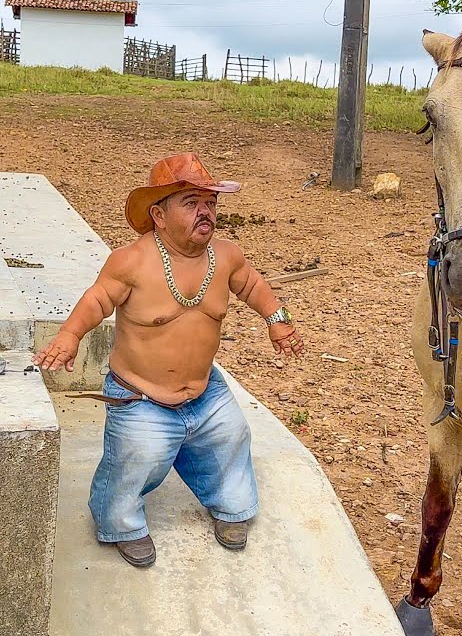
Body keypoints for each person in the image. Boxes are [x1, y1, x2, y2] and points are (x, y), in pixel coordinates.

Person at [32, 153, 305, 567]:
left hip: (204, 391)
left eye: (211, 204)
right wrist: (70, 335)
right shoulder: (133, 261)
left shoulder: (226, 256)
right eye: (192, 202)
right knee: (137, 456)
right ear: (158, 215)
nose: (206, 212)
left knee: (230, 437)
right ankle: (120, 522)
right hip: (139, 393)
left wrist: (278, 319)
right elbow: (97, 300)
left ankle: (229, 503)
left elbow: (252, 284)